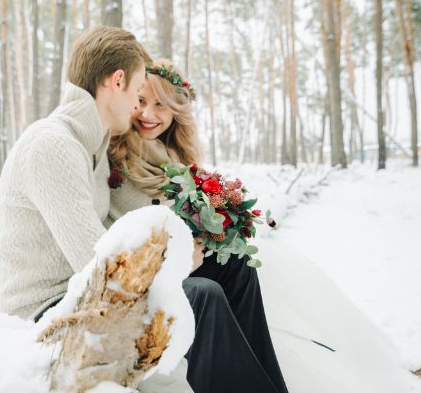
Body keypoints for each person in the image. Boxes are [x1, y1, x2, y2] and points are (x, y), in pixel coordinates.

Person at [107, 58, 290, 393]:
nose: (148, 115)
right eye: (142, 102)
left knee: (239, 264)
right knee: (206, 293)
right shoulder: (113, 147)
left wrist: (215, 228)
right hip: (134, 273)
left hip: (170, 263)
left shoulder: (174, 156)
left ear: (176, 110)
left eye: (160, 105)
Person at [0, 25, 148, 320]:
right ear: (117, 81)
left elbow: (132, 210)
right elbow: (96, 267)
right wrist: (178, 265)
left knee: (228, 270)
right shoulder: (54, 144)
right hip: (42, 311)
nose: (138, 106)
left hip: (76, 296)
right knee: (203, 297)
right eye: (138, 90)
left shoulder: (92, 146)